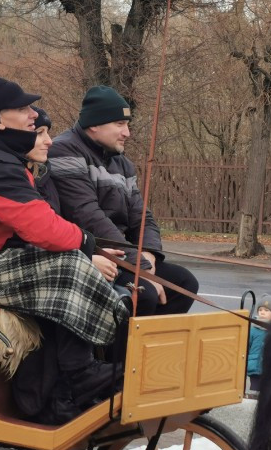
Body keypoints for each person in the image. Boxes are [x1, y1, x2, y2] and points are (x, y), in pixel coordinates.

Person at [0, 73, 129, 424]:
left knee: (73, 261)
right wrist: (87, 245)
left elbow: (43, 222)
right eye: (23, 108)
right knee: (69, 265)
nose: (32, 115)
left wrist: (87, 245)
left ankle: (70, 386)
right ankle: (80, 374)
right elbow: (39, 224)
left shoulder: (0, 154)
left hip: (7, 255)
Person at [48, 85, 200, 319]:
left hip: (126, 257)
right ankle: (118, 355)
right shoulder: (64, 150)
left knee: (184, 284)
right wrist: (139, 266)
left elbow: (142, 217)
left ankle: (148, 351)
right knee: (144, 293)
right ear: (94, 124)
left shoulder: (123, 163)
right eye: (120, 124)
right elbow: (88, 216)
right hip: (94, 253)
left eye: (127, 125)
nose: (127, 133)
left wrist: (149, 254)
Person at [246, 293, 271, 394]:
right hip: (255, 369)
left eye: (266, 310)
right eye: (260, 310)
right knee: (254, 393)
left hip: (270, 369)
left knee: (268, 393)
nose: (262, 313)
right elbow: (247, 346)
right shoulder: (253, 329)